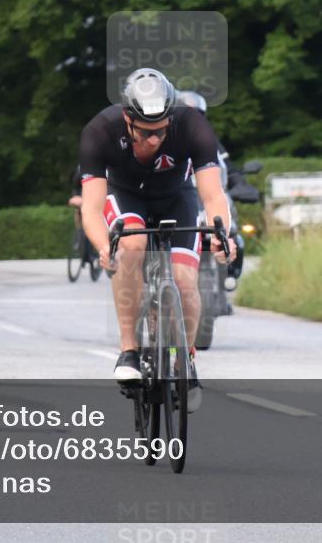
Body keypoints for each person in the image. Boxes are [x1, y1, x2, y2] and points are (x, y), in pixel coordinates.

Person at [79, 68, 235, 413]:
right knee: (131, 246)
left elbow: (212, 195)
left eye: (160, 131)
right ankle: (129, 350)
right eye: (144, 132)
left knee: (185, 280)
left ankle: (185, 360)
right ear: (127, 119)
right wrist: (105, 247)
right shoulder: (100, 131)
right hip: (126, 196)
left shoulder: (191, 125)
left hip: (176, 197)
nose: (153, 141)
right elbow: (91, 209)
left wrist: (221, 234)